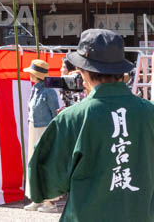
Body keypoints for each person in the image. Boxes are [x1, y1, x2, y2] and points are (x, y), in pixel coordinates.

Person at [28, 28, 154, 220]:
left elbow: (46, 183)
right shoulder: (149, 112)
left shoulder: (72, 118)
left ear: (84, 71)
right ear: (121, 71)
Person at [22, 59, 60, 213]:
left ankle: (50, 201)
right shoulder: (35, 90)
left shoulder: (49, 92)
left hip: (45, 130)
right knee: (33, 162)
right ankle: (37, 198)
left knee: (44, 162)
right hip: (34, 128)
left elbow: (55, 115)